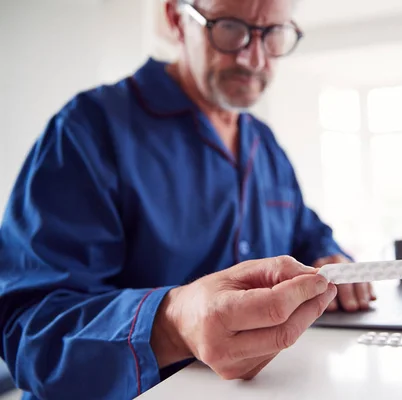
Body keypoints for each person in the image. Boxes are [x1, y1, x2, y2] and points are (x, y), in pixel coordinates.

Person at [0, 0, 376, 398]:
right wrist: (172, 323)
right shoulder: (87, 131)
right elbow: (29, 329)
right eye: (231, 28)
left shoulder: (265, 146)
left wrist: (329, 259)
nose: (254, 57)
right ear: (177, 20)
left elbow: (309, 235)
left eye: (273, 33)